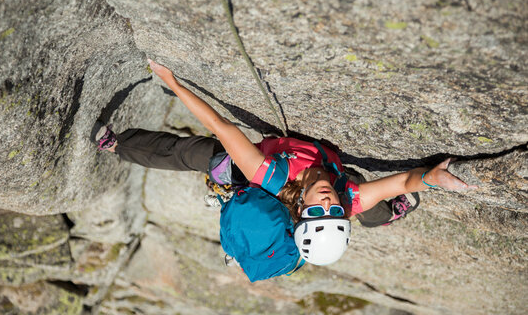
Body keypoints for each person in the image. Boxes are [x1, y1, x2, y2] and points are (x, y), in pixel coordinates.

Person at [92, 59, 475, 266]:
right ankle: (389, 215)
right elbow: (406, 181)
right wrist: (433, 178)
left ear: (300, 210)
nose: (327, 200)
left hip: (255, 174)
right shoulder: (347, 197)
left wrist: (174, 84)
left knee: (191, 154)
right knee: (370, 202)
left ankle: (117, 146)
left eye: (317, 210)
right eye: (333, 210)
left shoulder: (272, 175)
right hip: (350, 190)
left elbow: (221, 126)